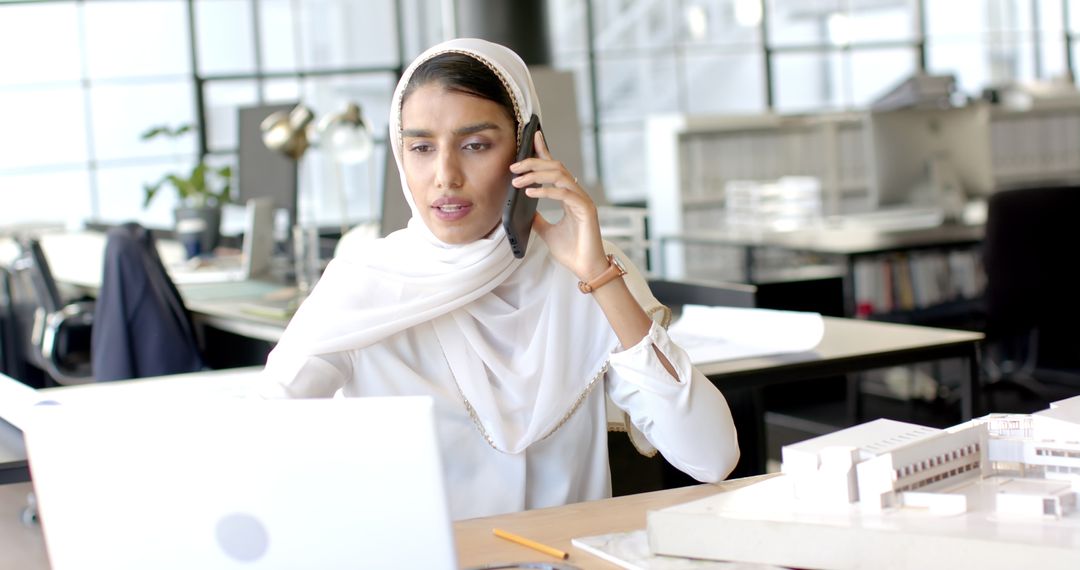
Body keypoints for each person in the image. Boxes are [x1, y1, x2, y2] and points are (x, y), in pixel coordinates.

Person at [259, 38, 738, 520]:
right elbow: (259, 445)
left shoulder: (588, 272)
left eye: (475, 145)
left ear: (527, 147)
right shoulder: (366, 283)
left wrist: (598, 276)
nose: (445, 175)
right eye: (421, 147)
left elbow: (712, 458)